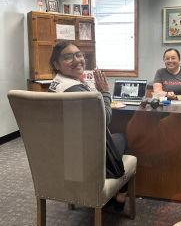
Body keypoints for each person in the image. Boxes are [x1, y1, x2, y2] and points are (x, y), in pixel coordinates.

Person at [48, 40, 127, 211]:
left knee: (115, 138)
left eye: (79, 54)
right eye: (68, 57)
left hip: (65, 157)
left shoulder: (56, 84)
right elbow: (104, 119)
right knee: (121, 137)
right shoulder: (74, 90)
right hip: (87, 161)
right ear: (56, 64)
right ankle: (120, 192)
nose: (77, 60)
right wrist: (105, 91)